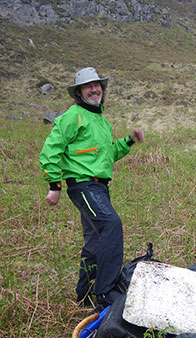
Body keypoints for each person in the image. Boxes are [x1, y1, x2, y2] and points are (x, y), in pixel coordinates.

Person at [39, 67, 144, 309]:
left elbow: (107, 154)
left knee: (94, 244)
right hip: (83, 186)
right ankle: (105, 293)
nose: (94, 89)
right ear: (79, 92)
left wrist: (128, 141)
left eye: (97, 86)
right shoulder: (72, 116)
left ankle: (83, 296)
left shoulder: (102, 121)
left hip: (99, 187)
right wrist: (54, 186)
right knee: (111, 224)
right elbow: (50, 152)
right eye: (88, 86)